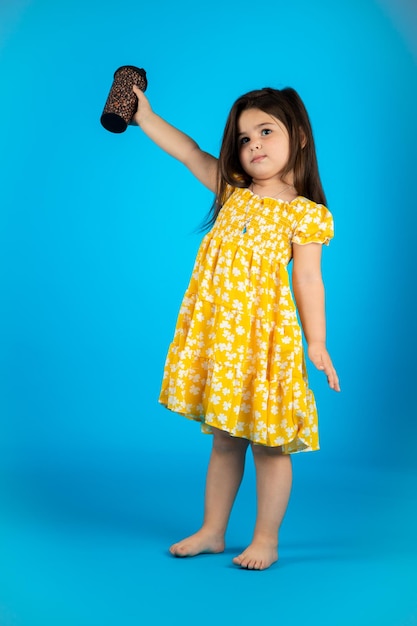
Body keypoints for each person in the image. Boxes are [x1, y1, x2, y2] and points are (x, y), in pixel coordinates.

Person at [132, 84, 340, 570]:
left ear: (301, 138)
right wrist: (145, 115)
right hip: (225, 342)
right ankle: (212, 530)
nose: (254, 146)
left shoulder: (304, 214)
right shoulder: (232, 192)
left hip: (266, 344)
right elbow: (188, 151)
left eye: (266, 131)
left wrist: (318, 341)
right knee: (225, 437)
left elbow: (309, 278)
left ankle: (265, 539)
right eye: (244, 139)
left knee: (268, 443)